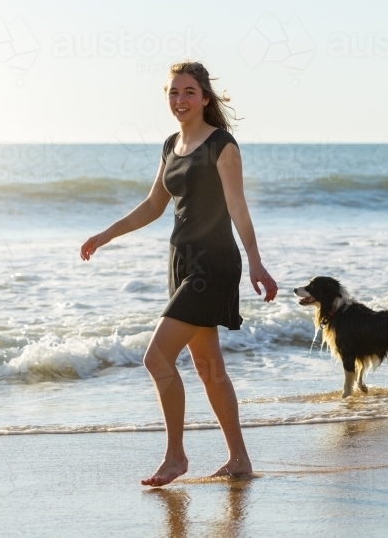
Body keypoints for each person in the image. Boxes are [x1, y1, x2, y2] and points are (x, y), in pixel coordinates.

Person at [80, 61, 278, 485]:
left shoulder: (222, 146)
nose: (180, 100)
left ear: (205, 97)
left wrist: (256, 262)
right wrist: (107, 234)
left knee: (156, 357)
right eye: (173, 92)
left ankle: (175, 456)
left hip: (214, 263)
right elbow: (154, 204)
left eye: (189, 92)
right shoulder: (171, 145)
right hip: (182, 262)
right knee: (207, 366)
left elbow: (238, 207)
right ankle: (239, 458)